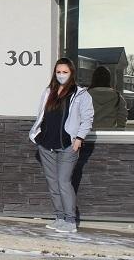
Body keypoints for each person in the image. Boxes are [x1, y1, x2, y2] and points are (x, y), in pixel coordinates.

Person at [29, 57, 94, 233]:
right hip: (46, 145)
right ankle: (59, 217)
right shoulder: (49, 92)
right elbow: (42, 115)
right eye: (58, 72)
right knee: (53, 183)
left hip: (68, 146)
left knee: (64, 182)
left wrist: (79, 138)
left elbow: (87, 119)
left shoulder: (80, 95)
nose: (61, 75)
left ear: (71, 73)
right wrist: (36, 136)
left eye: (65, 72)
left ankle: (70, 221)